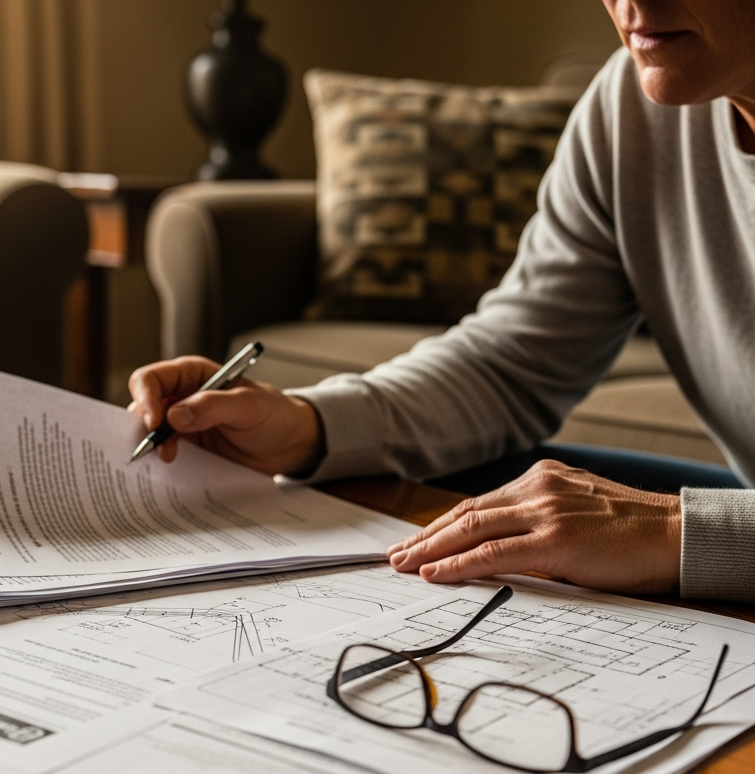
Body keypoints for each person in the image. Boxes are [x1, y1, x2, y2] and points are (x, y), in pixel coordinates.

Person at [129, 0, 755, 602]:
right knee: (497, 490)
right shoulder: (628, 109)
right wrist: (308, 426)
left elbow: (680, 530)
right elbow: (508, 367)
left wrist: (680, 532)